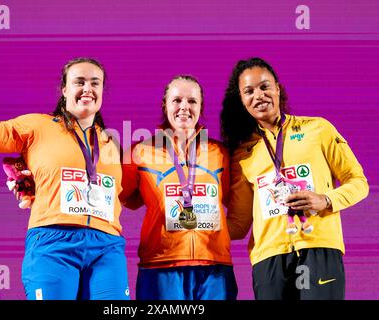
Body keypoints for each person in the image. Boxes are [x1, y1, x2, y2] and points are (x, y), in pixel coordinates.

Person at [0, 56, 130, 300]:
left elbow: (131, 194)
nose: (87, 89)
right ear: (64, 90)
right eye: (79, 82)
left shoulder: (110, 142)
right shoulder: (37, 127)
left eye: (95, 83)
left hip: (107, 246)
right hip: (54, 242)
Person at [219, 57, 369, 300]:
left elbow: (358, 182)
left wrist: (326, 200)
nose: (258, 95)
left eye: (264, 86)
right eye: (249, 91)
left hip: (318, 248)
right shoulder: (243, 154)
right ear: (242, 100)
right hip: (268, 259)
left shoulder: (318, 129)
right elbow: (240, 223)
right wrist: (195, 228)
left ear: (278, 88)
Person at [119, 75, 240, 300]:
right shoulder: (139, 152)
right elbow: (122, 197)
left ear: (201, 107)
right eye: (177, 100)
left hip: (214, 265)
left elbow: (238, 203)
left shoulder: (220, 153)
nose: (184, 107)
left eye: (192, 101)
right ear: (165, 105)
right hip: (161, 266)